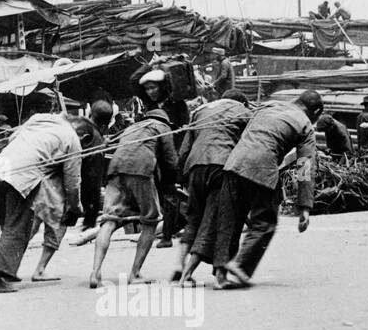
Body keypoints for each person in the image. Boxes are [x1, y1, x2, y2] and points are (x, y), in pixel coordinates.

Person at [211, 90, 323, 287]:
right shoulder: (305, 124)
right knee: (265, 221)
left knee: (229, 220)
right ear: (316, 112)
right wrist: (304, 206)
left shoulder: (267, 106)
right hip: (263, 167)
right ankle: (241, 266)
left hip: (234, 163)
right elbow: (305, 165)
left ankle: (221, 274)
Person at [0, 91, 81, 293]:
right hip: (23, 175)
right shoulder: (72, 137)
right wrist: (74, 206)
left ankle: (3, 270)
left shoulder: (36, 120)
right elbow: (72, 182)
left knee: (8, 225)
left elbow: (12, 137)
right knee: (18, 226)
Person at [86, 88, 179, 288]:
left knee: (109, 221)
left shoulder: (132, 128)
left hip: (115, 170)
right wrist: (173, 182)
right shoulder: (163, 127)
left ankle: (95, 273)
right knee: (151, 221)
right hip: (141, 170)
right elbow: (171, 162)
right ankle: (135, 273)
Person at [173, 89, 251, 286]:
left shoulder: (200, 111)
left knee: (194, 219)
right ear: (242, 102)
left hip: (195, 167)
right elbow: (249, 145)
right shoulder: (242, 110)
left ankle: (181, 266)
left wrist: (181, 177)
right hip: (221, 167)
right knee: (217, 221)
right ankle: (203, 276)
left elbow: (184, 150)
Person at [129, 66, 189, 249]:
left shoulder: (178, 105)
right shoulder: (150, 106)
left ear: (162, 87)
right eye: (147, 89)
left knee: (170, 193)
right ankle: (179, 223)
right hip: (154, 154)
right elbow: (134, 80)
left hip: (173, 154)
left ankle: (167, 236)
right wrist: (151, 64)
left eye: (154, 87)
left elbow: (184, 132)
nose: (150, 92)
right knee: (165, 195)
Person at [69, 100, 114, 232]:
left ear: (90, 112)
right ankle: (88, 222)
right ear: (107, 122)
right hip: (84, 176)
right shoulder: (94, 135)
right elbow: (93, 177)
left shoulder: (79, 123)